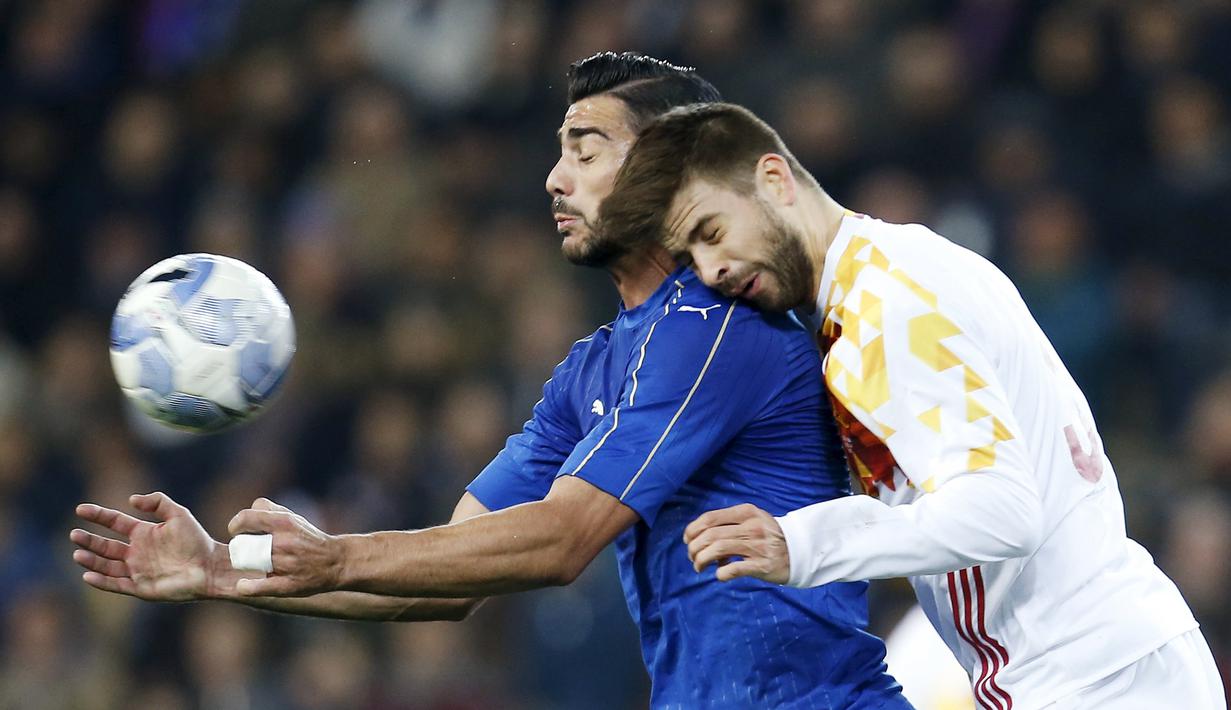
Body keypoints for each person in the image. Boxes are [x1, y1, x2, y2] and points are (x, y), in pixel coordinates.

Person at [72, 54, 909, 708]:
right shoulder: (592, 369)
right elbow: (448, 582)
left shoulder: (719, 328)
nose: (555, 178)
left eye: (586, 151)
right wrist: (224, 571)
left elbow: (560, 541)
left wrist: (334, 557)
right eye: (557, 153)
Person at [597, 101, 1225, 709]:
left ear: (774, 178)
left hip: (1091, 678)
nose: (712, 270)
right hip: (1110, 659)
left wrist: (804, 543)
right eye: (693, 256)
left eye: (713, 233)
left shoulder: (886, 307)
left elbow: (1001, 511)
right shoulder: (897, 269)